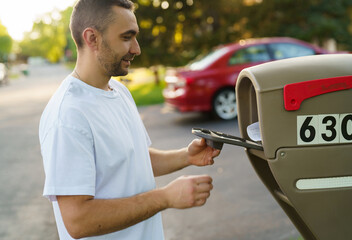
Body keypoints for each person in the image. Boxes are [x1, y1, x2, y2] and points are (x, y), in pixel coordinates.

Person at [39, 0, 221, 239]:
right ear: (92, 38)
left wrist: (186, 156)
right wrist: (165, 197)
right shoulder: (68, 115)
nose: (136, 49)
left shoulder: (117, 90)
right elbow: (77, 220)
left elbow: (132, 158)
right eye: (127, 37)